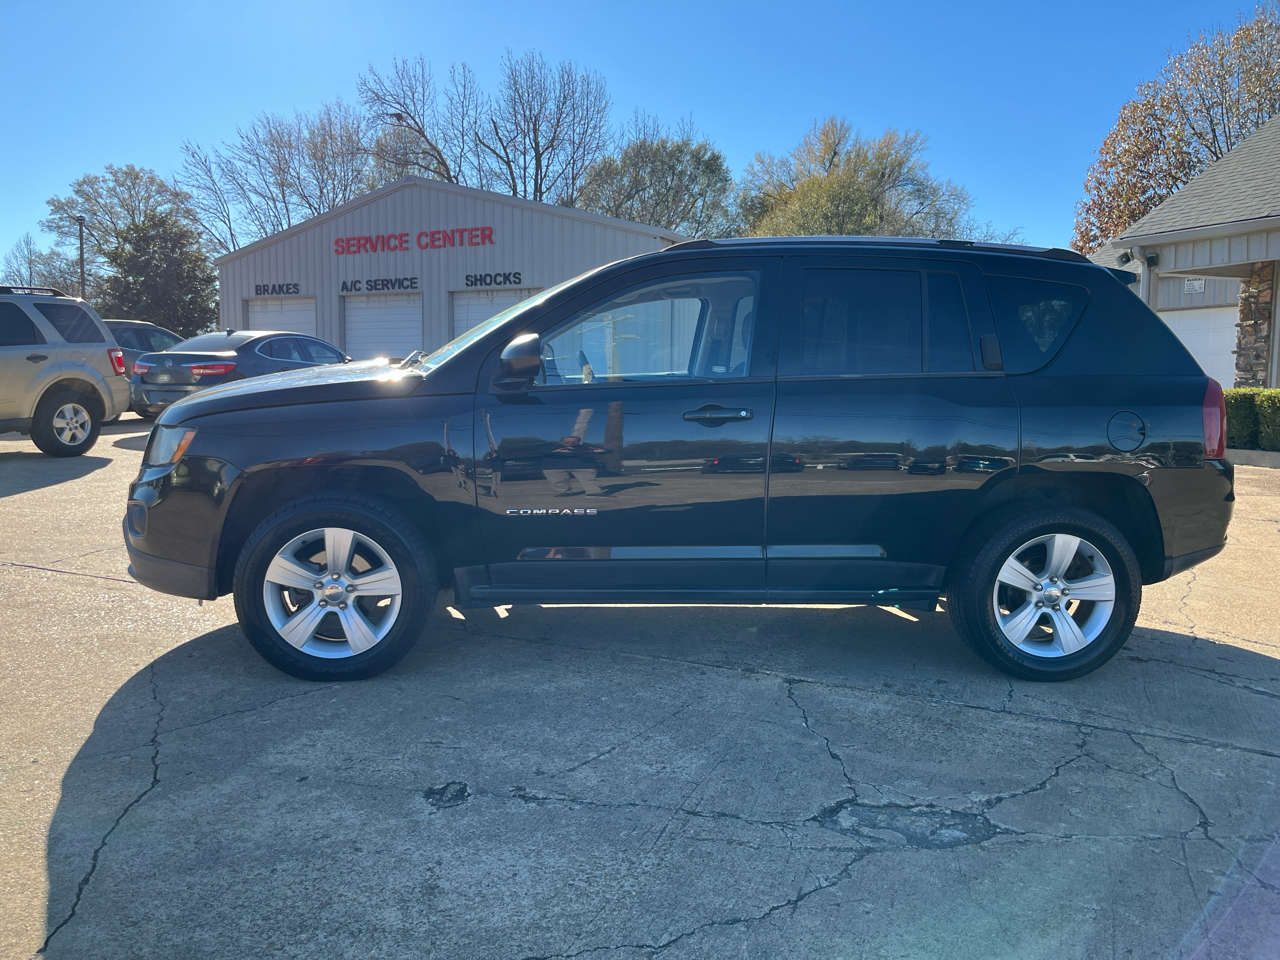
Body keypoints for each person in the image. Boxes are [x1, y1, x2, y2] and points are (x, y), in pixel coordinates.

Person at [541, 436, 609, 496]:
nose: (571, 442)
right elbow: (537, 452)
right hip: (554, 467)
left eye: (573, 441)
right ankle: (564, 492)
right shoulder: (549, 447)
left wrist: (600, 450)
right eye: (567, 441)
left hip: (583, 467)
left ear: (578, 441)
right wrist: (556, 451)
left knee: (589, 480)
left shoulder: (586, 447)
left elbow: (608, 450)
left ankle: (594, 491)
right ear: (560, 441)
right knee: (557, 481)